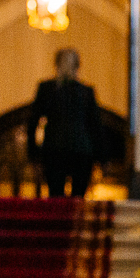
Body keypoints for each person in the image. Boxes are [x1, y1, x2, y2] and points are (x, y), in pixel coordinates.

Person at [26, 48, 105, 198]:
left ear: (56, 65)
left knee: (56, 198)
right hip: (80, 151)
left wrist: (33, 155)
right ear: (78, 67)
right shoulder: (86, 92)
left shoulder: (47, 89)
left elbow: (33, 122)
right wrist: (102, 159)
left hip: (55, 150)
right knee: (77, 200)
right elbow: (96, 127)